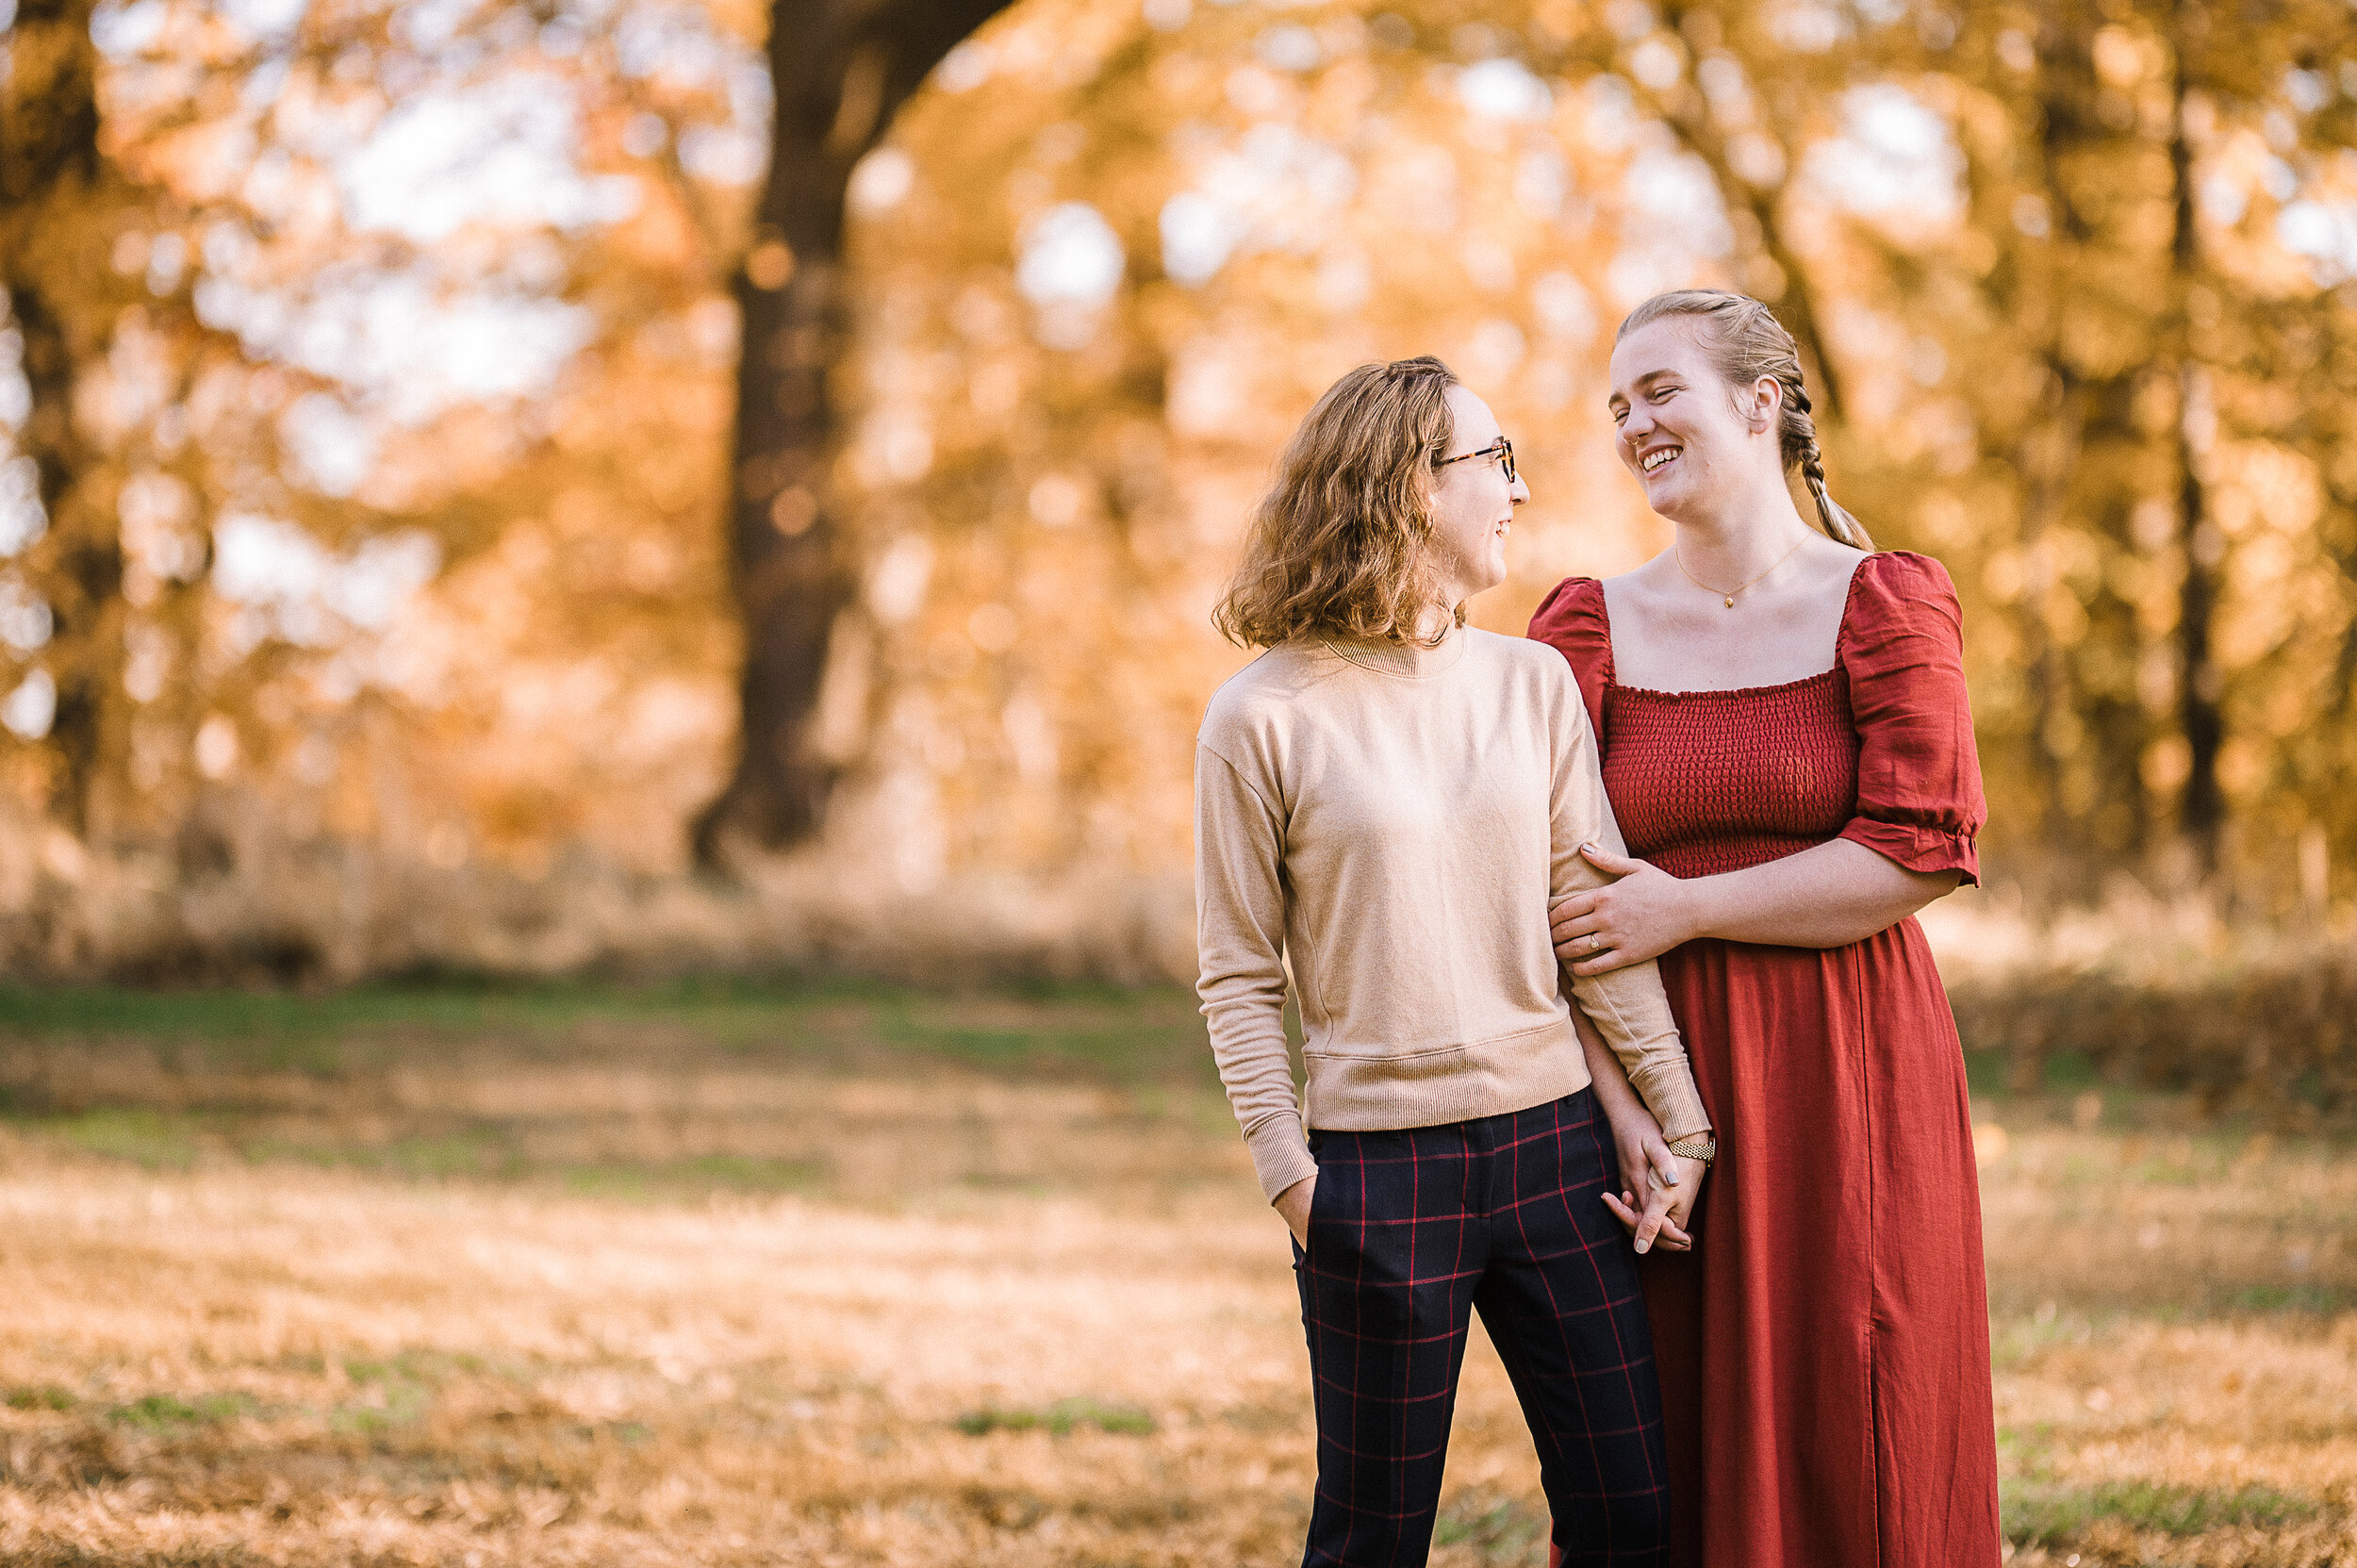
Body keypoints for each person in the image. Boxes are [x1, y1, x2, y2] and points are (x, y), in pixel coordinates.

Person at [1195, 355, 1717, 1568]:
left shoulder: (1531, 684)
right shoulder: (1260, 715)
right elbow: (1235, 972)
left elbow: (1593, 925)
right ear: (1406, 487)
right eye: (1494, 461)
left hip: (1556, 1153)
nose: (1517, 491)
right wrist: (1292, 1179)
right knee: (1373, 1541)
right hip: (1376, 1180)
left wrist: (1677, 1126)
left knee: (1631, 1516)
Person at [1525, 289, 2000, 1568]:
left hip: (1851, 1073)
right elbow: (1539, 886)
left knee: (1864, 1411)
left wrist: (1681, 906)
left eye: (1659, 390)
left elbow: (1919, 847)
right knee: (1658, 1441)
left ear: (1760, 400)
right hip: (1644, 1072)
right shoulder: (1583, 628)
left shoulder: (1888, 602)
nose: (1634, 422)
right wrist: (1622, 1110)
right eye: (1619, 404)